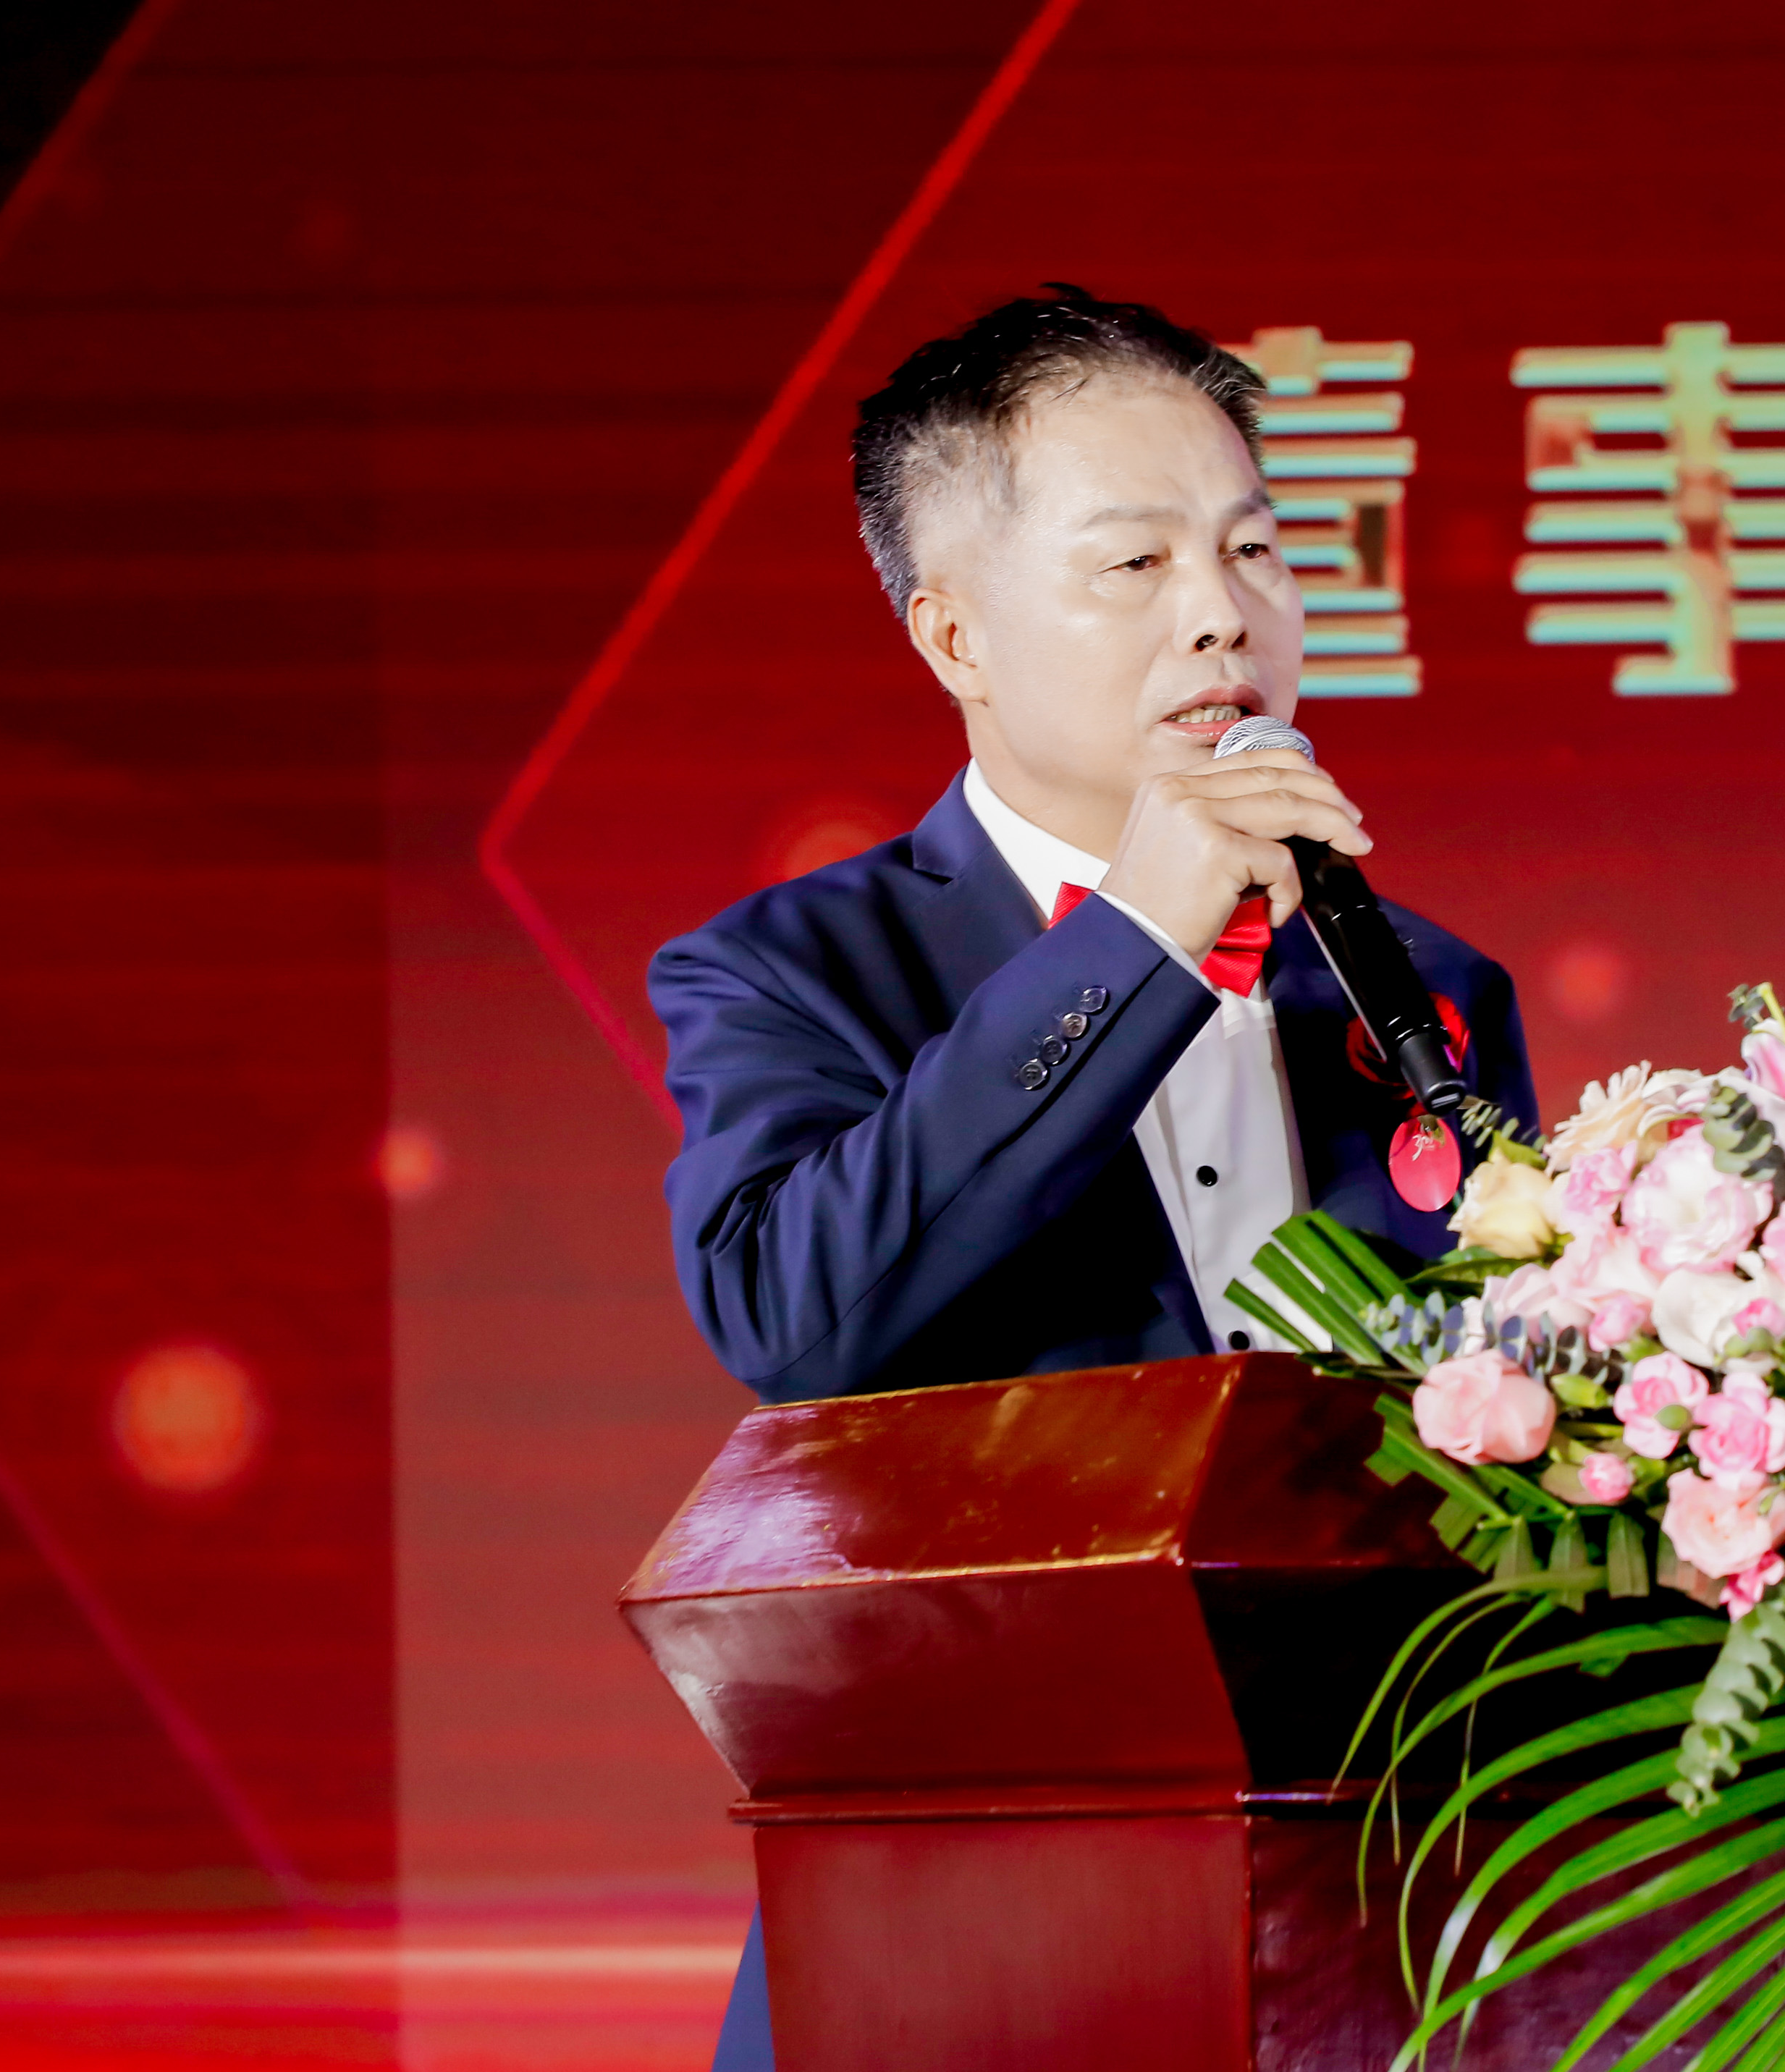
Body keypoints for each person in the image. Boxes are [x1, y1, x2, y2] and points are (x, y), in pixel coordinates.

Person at [648, 287, 1537, 2068]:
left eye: (1255, 550)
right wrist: (1137, 934)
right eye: (1136, 563)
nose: (1222, 613)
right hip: (959, 1939)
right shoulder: (791, 973)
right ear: (956, 634)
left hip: (1389, 1933)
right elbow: (795, 1313)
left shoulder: (1429, 987)